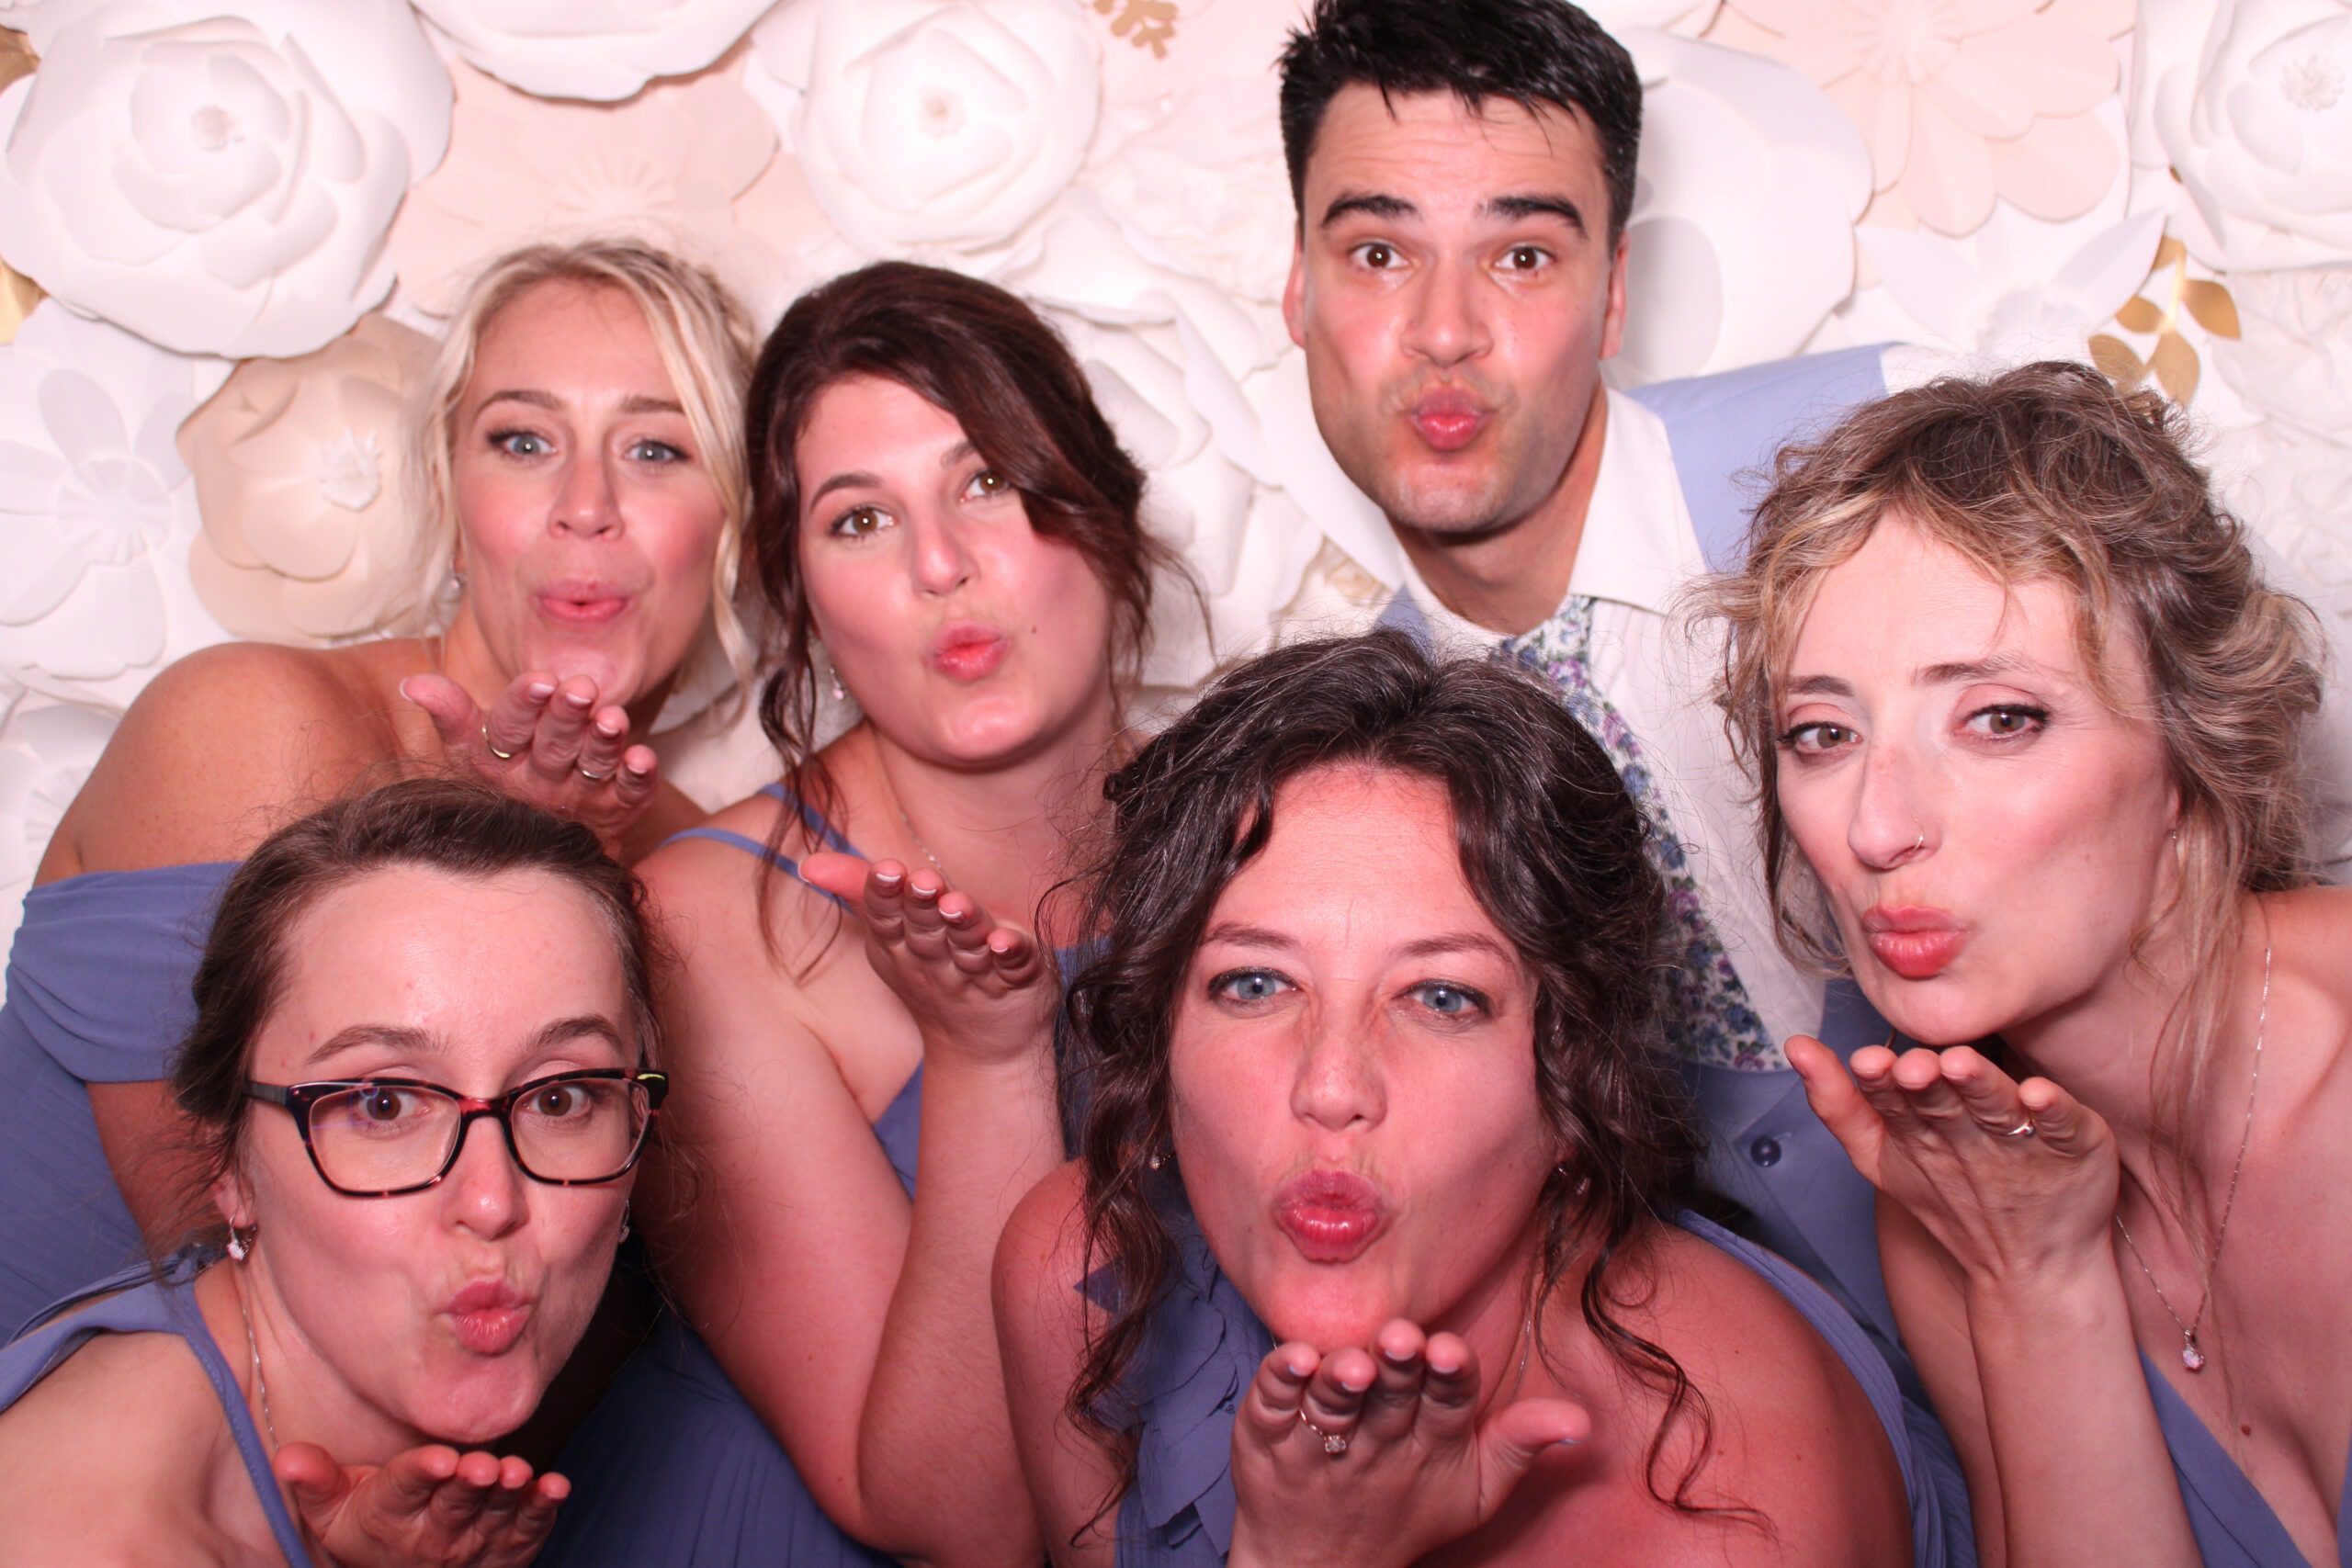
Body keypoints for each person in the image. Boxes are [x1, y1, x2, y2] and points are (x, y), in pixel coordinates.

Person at [992, 631, 1942, 1566]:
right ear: (1161, 1037)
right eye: (1255, 984)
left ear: (1571, 1080)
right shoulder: (1079, 1284)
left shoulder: (1727, 1515)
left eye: (1441, 998)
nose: (1331, 1088)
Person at [537, 260, 1183, 1566]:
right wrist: (984, 1055)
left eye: (987, 481)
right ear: (805, 604)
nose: (941, 564)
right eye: (857, 520)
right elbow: (952, 1514)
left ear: (1105, 506)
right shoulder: (706, 921)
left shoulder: (1264, 835)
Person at [0, 239, 753, 1335]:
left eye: (655, 448)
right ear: (450, 494)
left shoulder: (713, 866)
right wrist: (522, 867)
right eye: (525, 440)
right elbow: (238, 1274)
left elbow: (627, 1315)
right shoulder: (250, 722)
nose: (585, 505)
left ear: (734, 520)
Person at [1713, 361, 2352, 1568]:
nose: (1876, 824)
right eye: (1823, 732)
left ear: (2188, 742)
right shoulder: (1956, 1205)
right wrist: (2038, 1278)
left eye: (1999, 716)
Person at [0, 778, 668, 1567]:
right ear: (230, 1163)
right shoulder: (102, 1537)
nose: (491, 1201)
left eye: (560, 1097)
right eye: (382, 1103)